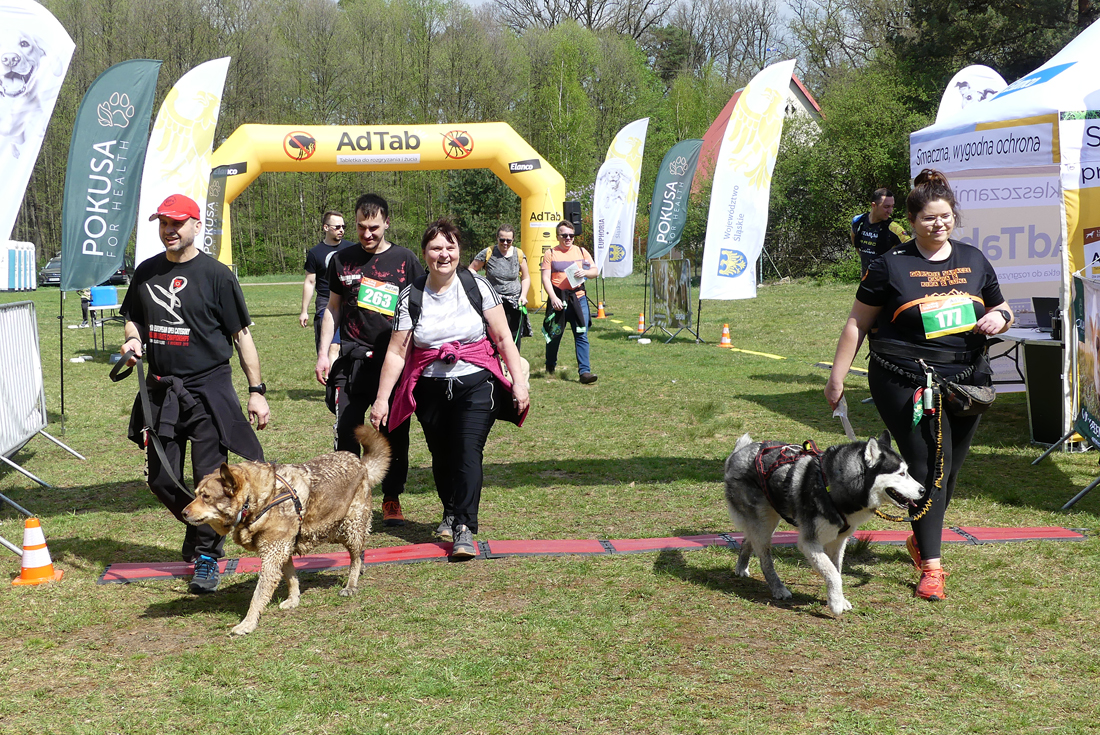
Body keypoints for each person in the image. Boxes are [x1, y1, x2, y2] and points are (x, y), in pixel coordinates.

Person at [825, 169, 1013, 603]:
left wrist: (999, 317)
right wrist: (837, 376)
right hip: (904, 378)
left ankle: (921, 535)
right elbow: (857, 322)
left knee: (950, 469)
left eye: (945, 216)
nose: (939, 224)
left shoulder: (974, 259)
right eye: (929, 218)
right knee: (928, 466)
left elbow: (1003, 307)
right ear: (911, 221)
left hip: (968, 380)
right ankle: (932, 566)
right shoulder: (888, 265)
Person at [119, 193, 271, 594]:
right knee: (160, 479)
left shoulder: (217, 275)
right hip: (162, 391)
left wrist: (256, 390)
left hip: (208, 392)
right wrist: (132, 341)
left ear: (196, 225)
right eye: (163, 224)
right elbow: (133, 319)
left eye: (177, 223)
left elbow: (242, 336)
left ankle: (207, 557)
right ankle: (201, 523)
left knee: (211, 480)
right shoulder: (147, 272)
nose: (169, 230)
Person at [370, 219, 529, 559]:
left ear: (459, 251)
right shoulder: (411, 295)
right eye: (436, 248)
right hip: (429, 388)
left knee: (467, 451)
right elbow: (397, 353)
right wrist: (382, 399)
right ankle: (451, 511)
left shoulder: (478, 286)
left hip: (476, 383)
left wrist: (519, 382)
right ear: (424, 253)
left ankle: (464, 528)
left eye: (450, 247)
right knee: (442, 457)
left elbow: (503, 337)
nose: (444, 254)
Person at [316, 193, 424, 527]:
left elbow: (422, 308)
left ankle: (391, 497)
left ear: (387, 223)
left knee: (393, 433)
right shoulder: (341, 260)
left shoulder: (405, 260)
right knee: (346, 431)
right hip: (351, 361)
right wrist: (324, 353)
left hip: (392, 362)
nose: (367, 234)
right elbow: (333, 308)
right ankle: (345, 499)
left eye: (374, 227)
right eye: (361, 227)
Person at [541, 220, 598, 384]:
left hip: (578, 298)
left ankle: (585, 372)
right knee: (555, 334)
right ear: (557, 236)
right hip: (558, 299)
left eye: (571, 235)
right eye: (564, 235)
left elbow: (595, 271)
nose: (568, 238)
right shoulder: (550, 253)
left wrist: (585, 272)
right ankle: (550, 365)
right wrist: (553, 298)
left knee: (581, 333)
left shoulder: (581, 251)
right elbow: (545, 278)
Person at [300, 210, 355, 363]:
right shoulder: (315, 253)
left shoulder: (353, 249)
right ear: (325, 227)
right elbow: (310, 282)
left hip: (349, 300)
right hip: (326, 301)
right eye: (337, 227)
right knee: (332, 346)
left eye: (343, 227)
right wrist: (304, 311)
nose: (341, 230)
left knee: (348, 347)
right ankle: (331, 377)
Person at [468, 224, 531, 349]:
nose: (505, 243)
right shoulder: (488, 252)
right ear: (497, 238)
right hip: (493, 303)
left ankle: (513, 360)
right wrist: (481, 285)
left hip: (514, 302)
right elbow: (471, 269)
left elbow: (525, 277)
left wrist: (523, 295)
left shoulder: (519, 254)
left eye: (509, 240)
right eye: (502, 240)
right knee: (494, 336)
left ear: (513, 240)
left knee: (513, 337)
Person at [851, 188, 911, 276]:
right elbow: (855, 243)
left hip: (887, 280)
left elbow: (912, 250)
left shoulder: (894, 228)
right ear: (874, 205)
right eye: (886, 207)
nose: (890, 211)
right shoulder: (858, 221)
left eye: (892, 206)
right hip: (866, 279)